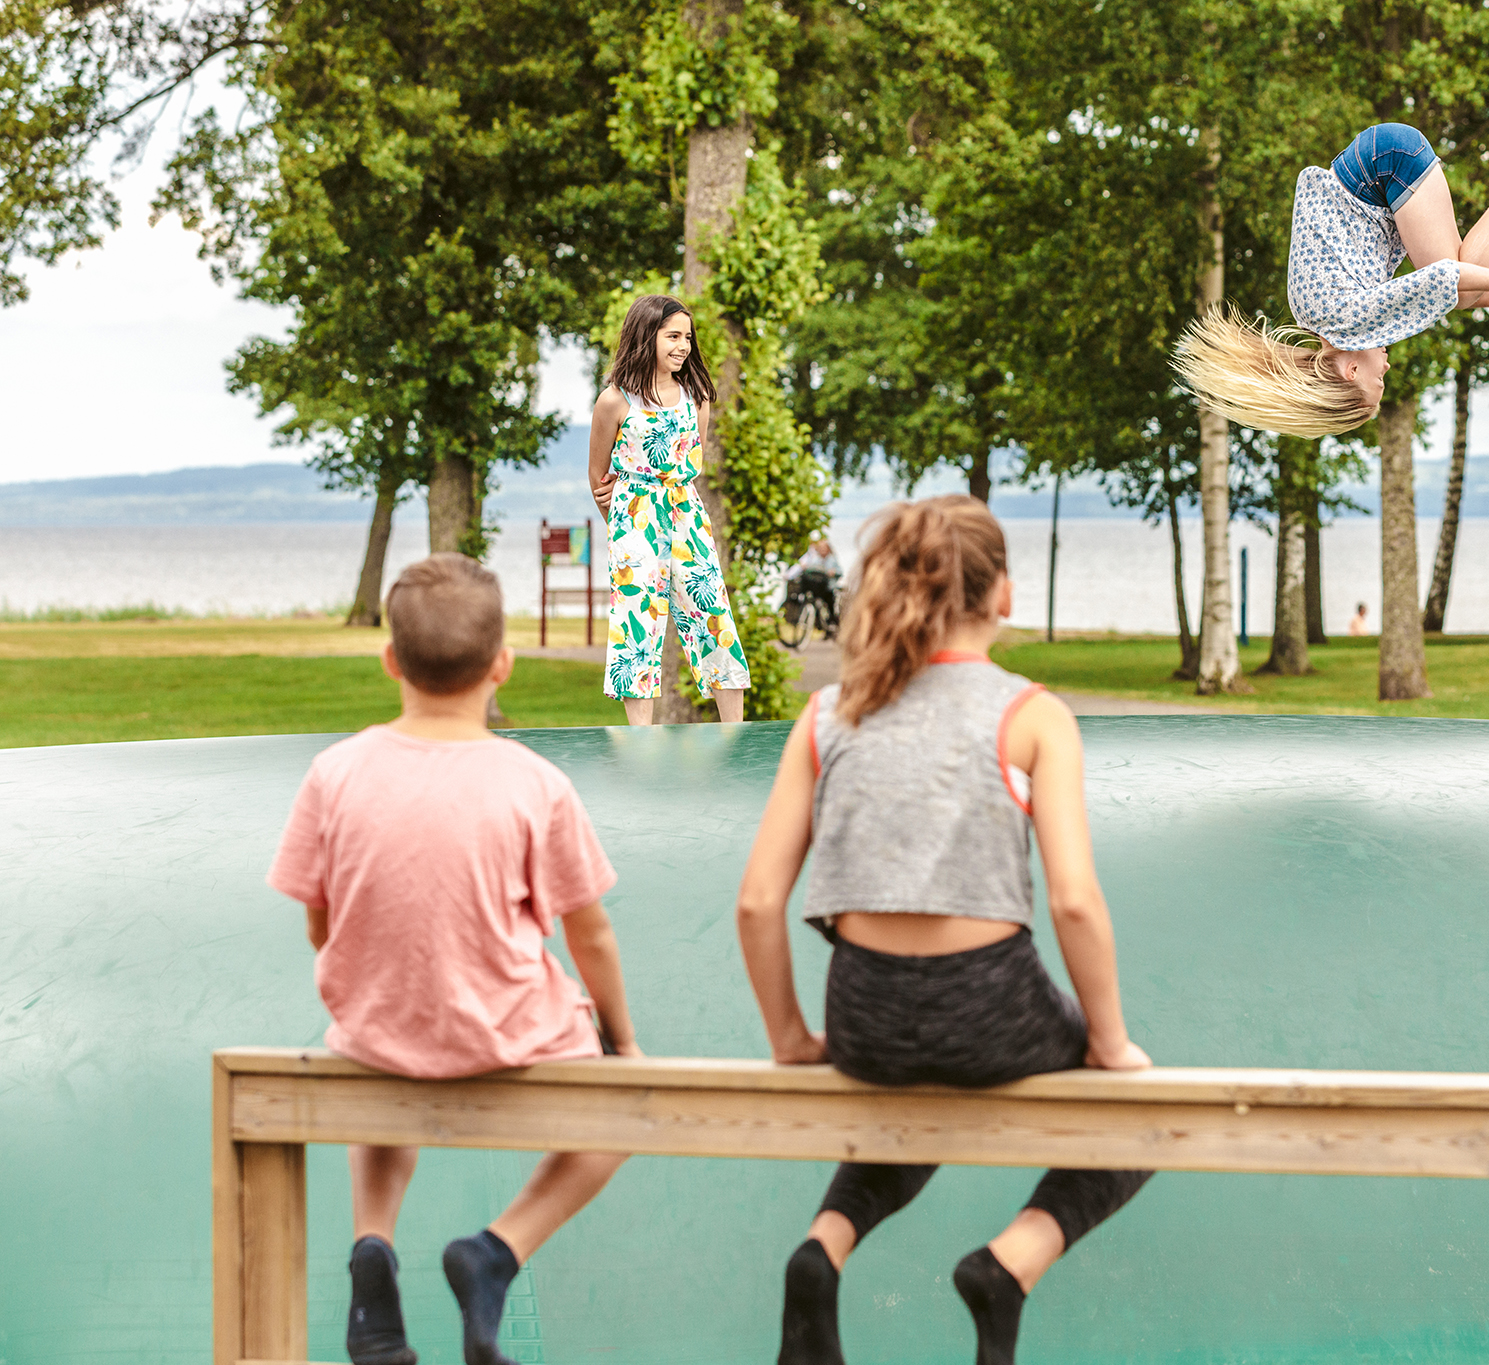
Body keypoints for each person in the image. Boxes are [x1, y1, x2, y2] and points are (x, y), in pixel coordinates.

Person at [734, 494, 1153, 1365]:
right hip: (990, 1002)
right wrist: (1110, 1045)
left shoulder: (830, 715)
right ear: (1000, 592)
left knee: (912, 1104)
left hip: (863, 1014)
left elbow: (756, 900)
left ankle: (823, 1249)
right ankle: (1010, 1263)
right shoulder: (1033, 714)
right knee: (1146, 1119)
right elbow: (1074, 901)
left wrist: (790, 1036)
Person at [267, 553, 642, 1365]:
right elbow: (591, 934)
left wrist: (373, 979)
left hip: (376, 1032)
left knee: (379, 1059)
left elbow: (318, 924)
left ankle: (374, 1244)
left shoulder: (333, 773)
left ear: (390, 660)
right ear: (501, 664)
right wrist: (623, 1038)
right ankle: (496, 1250)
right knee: (628, 1109)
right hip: (502, 1034)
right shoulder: (534, 782)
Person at [1173, 123, 1489, 437]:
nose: (1386, 368)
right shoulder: (1330, 322)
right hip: (1376, 164)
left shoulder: (1349, 320)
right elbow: (1437, 297)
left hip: (1386, 164)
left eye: (1378, 380)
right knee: (1464, 295)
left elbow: (1444, 277)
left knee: (1461, 277)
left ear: (1350, 370)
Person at [588, 294, 750, 724]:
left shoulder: (696, 395)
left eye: (688, 337)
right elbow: (597, 473)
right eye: (673, 336)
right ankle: (641, 738)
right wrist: (622, 522)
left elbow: (691, 461)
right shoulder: (614, 400)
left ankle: (734, 730)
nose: (683, 346)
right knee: (636, 623)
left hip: (687, 511)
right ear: (646, 336)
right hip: (634, 518)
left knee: (711, 610)